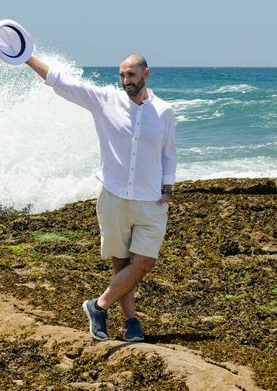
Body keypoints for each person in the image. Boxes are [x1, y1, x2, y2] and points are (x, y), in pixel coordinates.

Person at [25, 53, 176, 342]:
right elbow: (62, 81)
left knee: (144, 263)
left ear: (146, 73)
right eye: (121, 75)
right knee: (121, 263)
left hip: (151, 201)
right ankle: (131, 321)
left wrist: (168, 187)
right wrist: (27, 58)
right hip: (114, 196)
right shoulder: (105, 100)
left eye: (131, 75)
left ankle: (98, 306)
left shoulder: (164, 111)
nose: (125, 81)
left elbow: (169, 153)